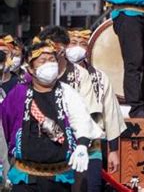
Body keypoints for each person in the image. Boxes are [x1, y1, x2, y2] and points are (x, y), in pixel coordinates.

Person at [0, 39, 103, 192]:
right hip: (25, 176)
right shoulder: (18, 94)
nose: (49, 64)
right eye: (43, 61)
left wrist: (81, 145)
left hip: (59, 176)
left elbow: (81, 119)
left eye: (52, 60)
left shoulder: (67, 92)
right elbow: (6, 126)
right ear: (31, 69)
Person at [65, 29, 126, 189]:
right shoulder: (58, 75)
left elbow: (110, 114)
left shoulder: (99, 77)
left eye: (83, 44)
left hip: (93, 146)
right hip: (63, 145)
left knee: (92, 186)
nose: (77, 47)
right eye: (73, 43)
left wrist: (113, 150)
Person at [38, 27, 100, 118]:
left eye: (52, 51)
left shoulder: (81, 75)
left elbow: (88, 114)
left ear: (62, 51)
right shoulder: (31, 75)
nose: (46, 56)